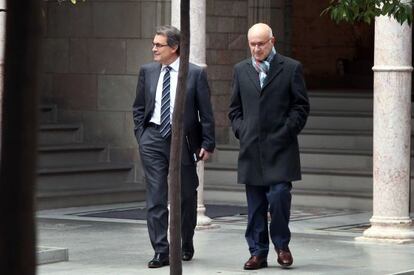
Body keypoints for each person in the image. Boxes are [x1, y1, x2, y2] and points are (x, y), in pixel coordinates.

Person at [132, 25, 215, 268]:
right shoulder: (147, 71)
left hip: (184, 140)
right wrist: (141, 134)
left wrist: (208, 142)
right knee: (156, 195)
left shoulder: (195, 74)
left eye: (159, 45)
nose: (153, 48)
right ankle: (161, 250)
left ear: (175, 47)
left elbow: (206, 112)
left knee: (187, 195)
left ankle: (185, 243)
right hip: (153, 138)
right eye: (153, 43)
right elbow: (138, 107)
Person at [228, 23, 309, 270]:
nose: (256, 48)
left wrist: (286, 131)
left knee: (279, 197)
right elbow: (234, 109)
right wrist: (243, 130)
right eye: (252, 44)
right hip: (251, 148)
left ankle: (282, 245)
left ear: (272, 41)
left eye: (261, 43)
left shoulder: (291, 68)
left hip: (281, 147)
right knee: (255, 206)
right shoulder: (241, 70)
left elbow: (301, 106)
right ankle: (258, 252)